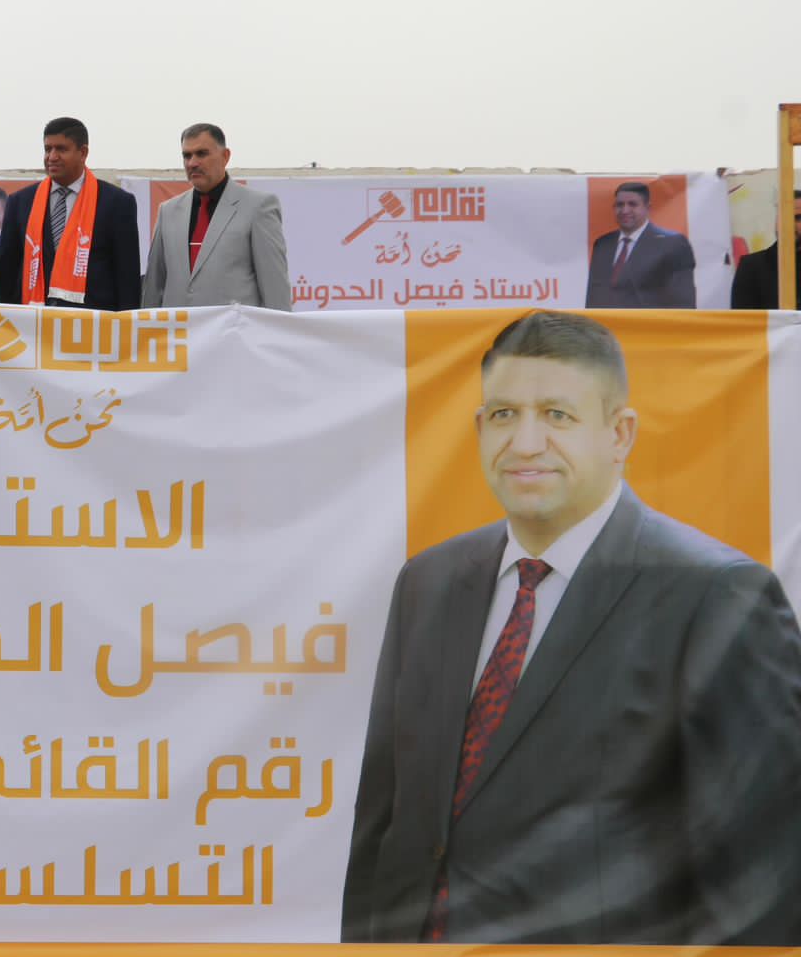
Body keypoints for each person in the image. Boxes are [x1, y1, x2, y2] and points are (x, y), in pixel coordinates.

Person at [342, 310, 801, 945]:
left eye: (557, 415)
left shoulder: (719, 596)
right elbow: (383, 823)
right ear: (479, 428)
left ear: (620, 434)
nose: (526, 443)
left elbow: (763, 880)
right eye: (504, 414)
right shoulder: (428, 582)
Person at [0, 117, 140, 311]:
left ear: (83, 153)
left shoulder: (117, 203)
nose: (52, 157)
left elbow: (127, 276)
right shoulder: (20, 202)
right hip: (33, 320)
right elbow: (7, 272)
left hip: (93, 321)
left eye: (61, 149)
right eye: (48, 149)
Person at [141, 123, 289, 309]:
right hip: (179, 327)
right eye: (187, 156)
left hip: (233, 327)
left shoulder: (258, 207)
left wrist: (279, 327)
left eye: (202, 154)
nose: (192, 163)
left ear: (225, 156)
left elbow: (275, 289)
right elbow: (154, 288)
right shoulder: (168, 212)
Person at [584, 182, 696, 308]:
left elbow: (683, 303)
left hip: (648, 320)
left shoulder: (673, 244)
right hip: (604, 320)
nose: (625, 210)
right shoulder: (603, 244)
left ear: (648, 208)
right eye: (620, 205)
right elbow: (593, 296)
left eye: (632, 204)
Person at [731, 190, 801, 309]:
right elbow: (743, 318)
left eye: (798, 218)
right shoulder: (751, 266)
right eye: (784, 217)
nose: (789, 224)